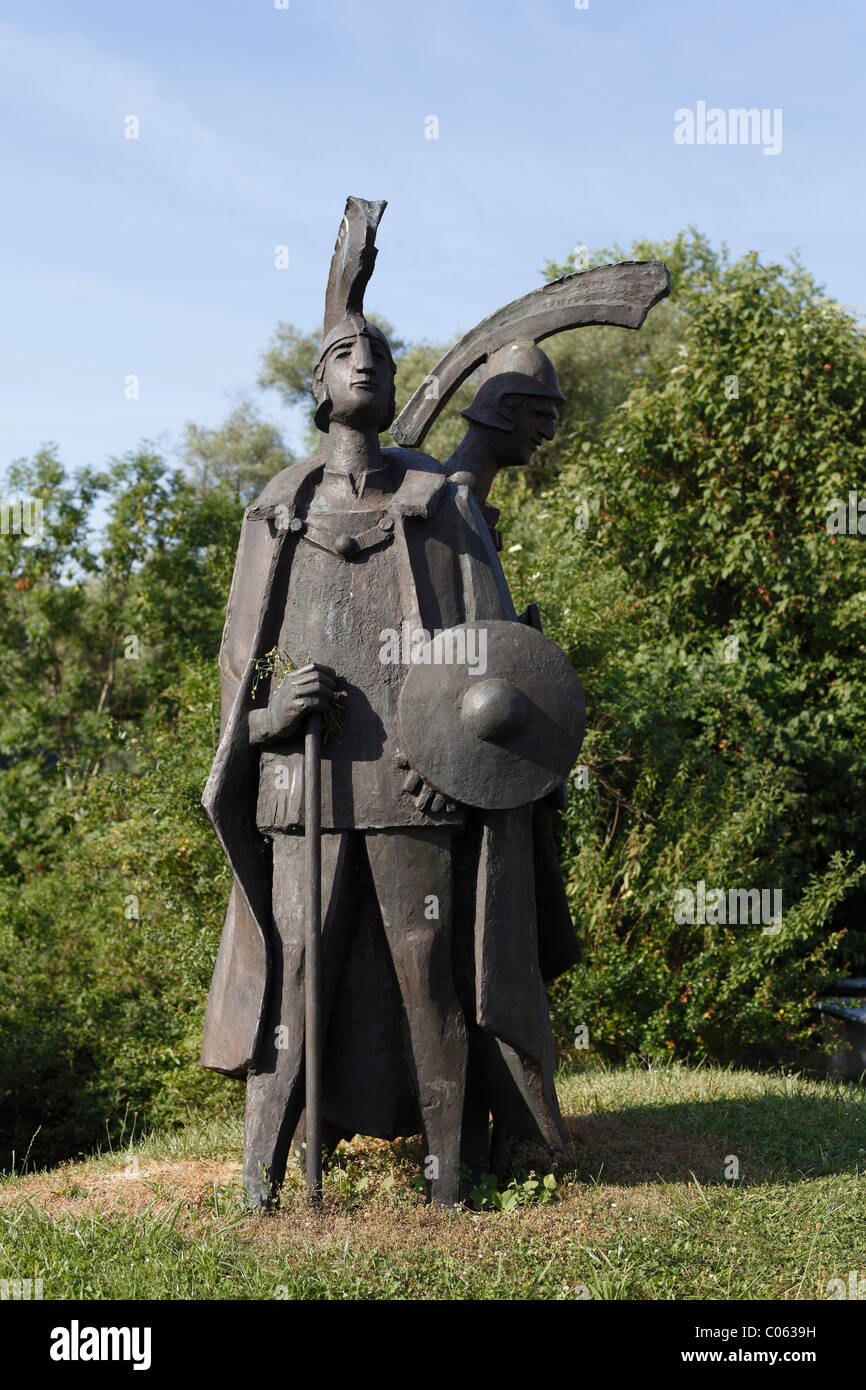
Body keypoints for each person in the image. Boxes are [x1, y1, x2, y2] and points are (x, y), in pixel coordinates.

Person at [201, 201, 578, 1209]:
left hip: (414, 787)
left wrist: (449, 751)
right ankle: (261, 1181)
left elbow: (488, 661)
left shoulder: (439, 509)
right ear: (316, 386)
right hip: (301, 788)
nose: (364, 359)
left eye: (378, 351)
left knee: (428, 979)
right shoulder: (274, 515)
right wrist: (271, 715)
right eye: (343, 352)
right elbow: (240, 669)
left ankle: (449, 1175)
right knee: (298, 978)